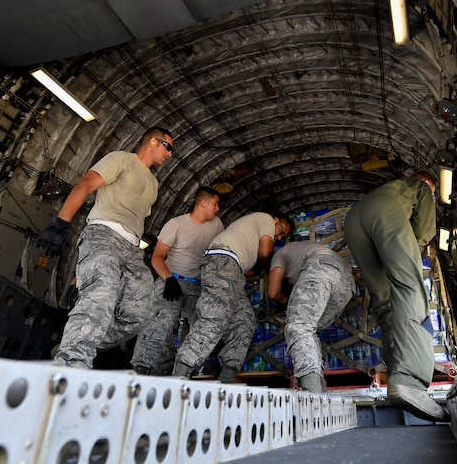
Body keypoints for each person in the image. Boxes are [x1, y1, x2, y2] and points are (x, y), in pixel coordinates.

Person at [35, 126, 174, 369]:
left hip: (132, 250)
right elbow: (86, 184)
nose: (170, 154)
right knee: (101, 297)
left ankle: (79, 341)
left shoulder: (153, 184)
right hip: (104, 236)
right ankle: (70, 364)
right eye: (168, 147)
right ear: (152, 142)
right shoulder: (121, 159)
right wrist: (60, 223)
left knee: (141, 313)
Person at [342, 169, 449, 422]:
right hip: (385, 215)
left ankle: (398, 377)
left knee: (385, 301)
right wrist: (414, 249)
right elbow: (423, 230)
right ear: (426, 182)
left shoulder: (388, 188)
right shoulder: (420, 187)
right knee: (410, 288)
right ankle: (410, 380)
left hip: (354, 221)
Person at [172, 211, 292, 383]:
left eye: (283, 237)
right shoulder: (266, 219)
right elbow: (265, 252)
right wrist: (274, 261)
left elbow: (248, 271)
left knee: (245, 321)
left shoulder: (247, 239)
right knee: (214, 317)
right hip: (222, 262)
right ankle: (181, 373)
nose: (279, 237)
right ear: (276, 220)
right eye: (281, 231)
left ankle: (227, 378)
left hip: (233, 272)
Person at [131, 186, 224, 375]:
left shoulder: (217, 225)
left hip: (198, 286)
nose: (217, 209)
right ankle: (142, 368)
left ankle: (185, 372)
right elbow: (156, 257)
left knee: (206, 325)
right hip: (172, 281)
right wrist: (169, 279)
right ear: (203, 203)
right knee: (163, 322)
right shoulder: (176, 225)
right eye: (215, 204)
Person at [267, 241, 354, 393]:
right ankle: (319, 386)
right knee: (308, 330)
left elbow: (273, 292)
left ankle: (312, 391)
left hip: (321, 267)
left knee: (298, 325)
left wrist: (287, 301)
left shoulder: (280, 253)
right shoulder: (304, 247)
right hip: (347, 283)